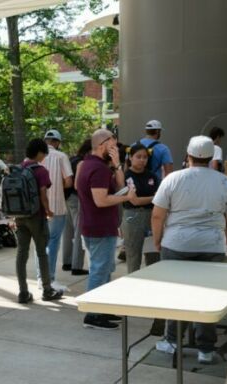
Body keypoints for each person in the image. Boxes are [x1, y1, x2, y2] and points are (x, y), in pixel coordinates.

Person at [152, 135, 227, 364]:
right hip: (211, 244)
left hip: (176, 244)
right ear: (212, 156)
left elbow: (158, 214)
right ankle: (206, 349)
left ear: (188, 154)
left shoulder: (173, 179)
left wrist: (158, 239)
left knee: (175, 294)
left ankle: (172, 341)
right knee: (208, 297)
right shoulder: (224, 182)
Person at [77, 129, 136, 330]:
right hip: (100, 226)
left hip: (97, 225)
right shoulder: (99, 169)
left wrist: (118, 163)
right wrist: (126, 198)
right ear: (102, 144)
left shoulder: (90, 164)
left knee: (104, 269)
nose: (116, 146)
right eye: (113, 143)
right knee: (100, 270)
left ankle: (100, 308)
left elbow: (119, 185)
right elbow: (101, 200)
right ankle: (92, 314)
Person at [15, 139, 64, 304]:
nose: (44, 158)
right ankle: (47, 289)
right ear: (40, 153)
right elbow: (43, 193)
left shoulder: (18, 168)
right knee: (42, 252)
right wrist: (48, 210)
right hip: (36, 216)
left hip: (20, 216)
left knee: (22, 253)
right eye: (44, 155)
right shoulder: (40, 170)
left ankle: (23, 291)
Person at [38, 129, 73, 284]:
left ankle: (40, 277)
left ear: (45, 140)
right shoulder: (61, 156)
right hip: (57, 206)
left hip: (38, 207)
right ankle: (49, 278)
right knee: (53, 242)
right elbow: (69, 182)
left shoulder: (35, 157)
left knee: (40, 242)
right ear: (58, 142)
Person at [121, 144, 160, 273]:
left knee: (154, 256)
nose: (142, 160)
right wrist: (152, 198)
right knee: (133, 256)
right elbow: (134, 200)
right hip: (133, 217)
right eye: (138, 157)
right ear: (131, 158)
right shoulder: (126, 176)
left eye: (145, 157)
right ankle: (132, 286)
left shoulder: (152, 176)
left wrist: (151, 198)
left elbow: (160, 198)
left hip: (151, 217)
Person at [62, 139, 91, 276]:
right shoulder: (82, 162)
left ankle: (67, 262)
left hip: (67, 197)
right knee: (79, 231)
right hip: (77, 197)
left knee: (68, 231)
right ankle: (77, 266)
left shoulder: (72, 159)